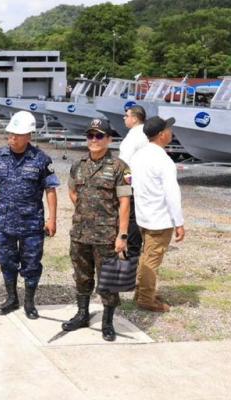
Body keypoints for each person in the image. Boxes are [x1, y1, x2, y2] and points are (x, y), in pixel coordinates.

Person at [62, 118, 131, 342]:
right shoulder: (78, 164)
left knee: (108, 280)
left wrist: (122, 235)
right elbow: (73, 191)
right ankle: (82, 314)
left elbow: (124, 202)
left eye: (99, 136)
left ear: (109, 139)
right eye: (90, 135)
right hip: (80, 232)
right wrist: (85, 212)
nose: (94, 140)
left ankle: (107, 322)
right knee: (81, 275)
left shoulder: (120, 167)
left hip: (106, 235)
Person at [0, 111, 58, 319]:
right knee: (6, 261)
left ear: (29, 136)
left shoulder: (42, 159)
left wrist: (52, 219)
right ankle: (11, 298)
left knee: (32, 264)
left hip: (31, 224)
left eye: (18, 134)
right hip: (4, 221)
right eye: (11, 133)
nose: (13, 138)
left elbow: (50, 190)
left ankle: (29, 302)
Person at [130, 116, 185, 312]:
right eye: (169, 130)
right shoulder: (163, 160)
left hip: (143, 214)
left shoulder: (138, 155)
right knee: (152, 260)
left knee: (146, 257)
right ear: (162, 135)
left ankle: (143, 290)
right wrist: (179, 222)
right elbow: (172, 194)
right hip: (159, 218)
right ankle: (146, 298)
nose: (171, 132)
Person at [117, 105, 148, 257]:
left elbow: (124, 164)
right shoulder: (145, 135)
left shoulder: (134, 137)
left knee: (130, 216)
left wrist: (124, 185)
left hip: (130, 182)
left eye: (126, 115)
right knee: (136, 216)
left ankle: (132, 249)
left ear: (134, 118)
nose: (124, 117)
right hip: (142, 182)